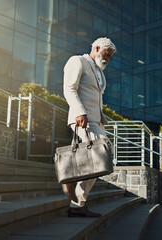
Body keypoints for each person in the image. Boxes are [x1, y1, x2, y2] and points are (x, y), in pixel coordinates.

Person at [62, 37, 116, 217]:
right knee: (100, 155)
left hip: (96, 120)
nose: (108, 58)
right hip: (82, 118)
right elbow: (69, 88)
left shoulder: (100, 72)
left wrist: (101, 117)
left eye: (110, 56)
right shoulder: (77, 61)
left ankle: (77, 204)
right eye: (107, 54)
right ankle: (71, 182)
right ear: (97, 48)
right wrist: (79, 111)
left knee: (103, 157)